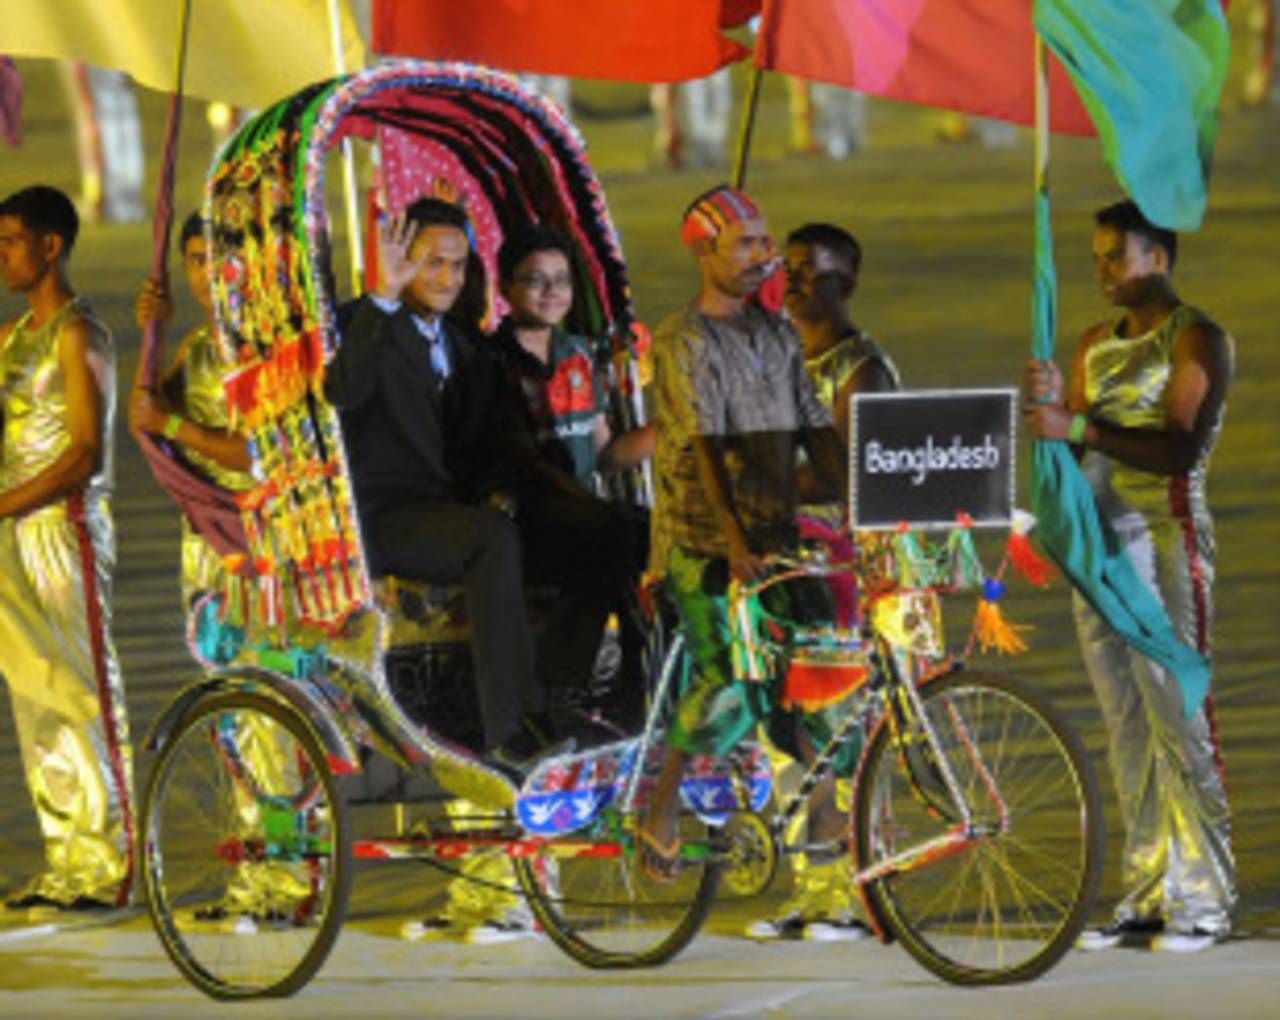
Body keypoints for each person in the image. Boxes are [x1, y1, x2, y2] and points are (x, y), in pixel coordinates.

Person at [1023, 199, 1236, 953]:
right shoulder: (1090, 346)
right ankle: (1148, 891)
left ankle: (1205, 900)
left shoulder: (1198, 339)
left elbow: (1179, 450)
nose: (1102, 268)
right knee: (1124, 722)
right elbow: (1081, 459)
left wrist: (1072, 424)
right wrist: (1046, 501)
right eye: (1097, 256)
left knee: (1177, 715)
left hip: (1168, 543)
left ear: (1160, 258)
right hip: (1100, 554)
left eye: (1118, 255)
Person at [636, 185, 846, 882]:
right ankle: (660, 806)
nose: (764, 255)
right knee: (731, 680)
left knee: (821, 658)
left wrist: (862, 503)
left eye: (766, 241)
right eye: (746, 244)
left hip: (773, 526)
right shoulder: (683, 339)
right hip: (704, 537)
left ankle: (823, 805)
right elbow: (701, 445)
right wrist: (732, 542)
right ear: (703, 253)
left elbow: (816, 426)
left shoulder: (777, 333)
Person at [322, 196, 565, 774]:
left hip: (447, 513)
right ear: (400, 262)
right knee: (490, 538)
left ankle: (575, 700)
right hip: (383, 518)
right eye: (432, 263)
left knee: (561, 529)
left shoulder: (459, 345)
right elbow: (344, 392)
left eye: (457, 266)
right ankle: (508, 729)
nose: (447, 279)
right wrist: (383, 293)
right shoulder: (363, 322)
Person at [743, 221, 900, 941]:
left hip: (838, 568)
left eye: (813, 269)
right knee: (784, 731)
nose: (796, 279)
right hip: (777, 565)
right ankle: (812, 887)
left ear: (848, 282)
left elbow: (845, 472)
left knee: (835, 728)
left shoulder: (862, 369)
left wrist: (759, 481)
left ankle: (850, 888)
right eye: (790, 266)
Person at [0, 184, 134, 911]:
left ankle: (108, 861)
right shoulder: (13, 338)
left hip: (64, 529)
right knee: (36, 694)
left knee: (83, 691)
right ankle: (68, 856)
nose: (1, 256)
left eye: (10, 241)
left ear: (50, 247)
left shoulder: (81, 335)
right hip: (13, 532)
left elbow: (83, 454)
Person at [490, 224, 654, 725]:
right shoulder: (490, 363)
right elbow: (517, 465)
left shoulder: (578, 356)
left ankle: (641, 680)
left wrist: (672, 427)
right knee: (621, 535)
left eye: (561, 280)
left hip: (589, 516)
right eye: (536, 280)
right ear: (506, 288)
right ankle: (570, 685)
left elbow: (606, 455)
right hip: (531, 518)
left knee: (654, 532)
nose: (551, 291)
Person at [129, 211, 253, 606]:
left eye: (220, 259)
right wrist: (156, 334)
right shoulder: (194, 347)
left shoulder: (265, 349)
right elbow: (143, 417)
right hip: (206, 534)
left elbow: (254, 455)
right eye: (198, 260)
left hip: (261, 535)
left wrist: (170, 424)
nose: (209, 274)